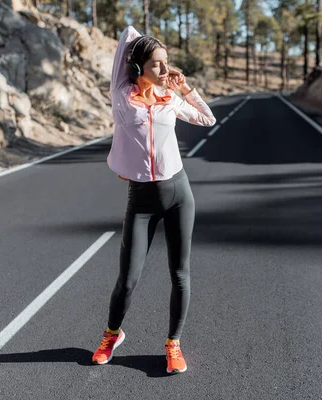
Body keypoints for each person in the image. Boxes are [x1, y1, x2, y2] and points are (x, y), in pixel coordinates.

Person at [92, 25, 216, 374]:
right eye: (157, 64)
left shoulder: (170, 99)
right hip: (142, 200)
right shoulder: (121, 94)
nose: (165, 70)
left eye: (166, 62)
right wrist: (139, 46)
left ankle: (173, 345)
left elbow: (208, 118)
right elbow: (126, 43)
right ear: (138, 68)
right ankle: (111, 335)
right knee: (128, 279)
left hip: (178, 193)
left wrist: (185, 88)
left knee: (179, 274)